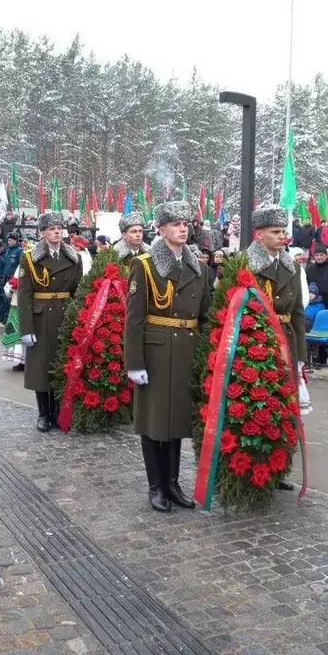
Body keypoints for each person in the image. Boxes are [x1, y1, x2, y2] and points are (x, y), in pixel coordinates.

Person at [126, 201, 210, 513]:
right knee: (154, 421)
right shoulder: (145, 265)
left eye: (185, 224)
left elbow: (205, 314)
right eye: (176, 224)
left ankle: (173, 484)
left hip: (186, 350)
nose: (182, 229)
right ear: (161, 230)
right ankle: (156, 486)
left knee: (176, 421)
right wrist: (134, 363)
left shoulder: (198, 267)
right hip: (156, 352)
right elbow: (134, 318)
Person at [243, 205, 306, 491]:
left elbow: (298, 313)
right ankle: (252, 467)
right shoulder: (245, 264)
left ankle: (277, 468)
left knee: (283, 407)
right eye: (276, 232)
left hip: (286, 343)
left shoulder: (292, 266)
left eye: (284, 231)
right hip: (256, 342)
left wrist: (301, 355)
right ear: (259, 235)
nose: (283, 237)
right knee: (257, 406)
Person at [17, 212, 82, 432]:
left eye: (59, 228)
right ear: (43, 232)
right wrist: (26, 328)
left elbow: (77, 292)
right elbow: (24, 295)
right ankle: (44, 413)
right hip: (41, 317)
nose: (57, 232)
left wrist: (78, 321)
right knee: (41, 368)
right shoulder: (30, 258)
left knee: (62, 366)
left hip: (65, 315)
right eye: (52, 229)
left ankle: (59, 413)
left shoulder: (74, 258)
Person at [306, 244, 328, 365]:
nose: (319, 257)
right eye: (317, 255)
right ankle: (320, 359)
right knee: (318, 330)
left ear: (326, 255)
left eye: (322, 255)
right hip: (315, 305)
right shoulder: (309, 269)